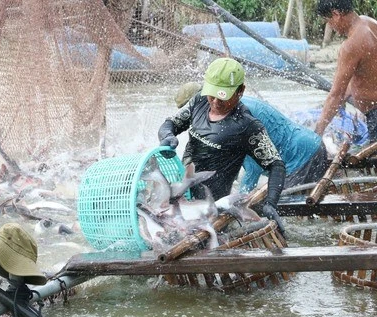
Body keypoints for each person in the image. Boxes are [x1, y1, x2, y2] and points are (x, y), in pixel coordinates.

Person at [159, 57, 286, 235]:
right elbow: (170, 123)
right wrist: (167, 136)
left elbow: (276, 165)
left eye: (223, 96)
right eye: (212, 94)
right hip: (184, 195)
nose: (216, 102)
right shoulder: (199, 101)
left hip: (213, 212)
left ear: (240, 90)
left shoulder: (248, 126)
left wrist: (271, 203)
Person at [173, 82, 329, 193]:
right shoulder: (229, 105)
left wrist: (240, 199)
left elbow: (253, 167)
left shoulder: (235, 118)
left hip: (301, 157)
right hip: (310, 146)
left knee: (286, 209)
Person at [314, 0, 377, 142]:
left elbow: (336, 94)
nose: (330, 25)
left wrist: (318, 131)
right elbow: (370, 71)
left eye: (328, 20)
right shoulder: (369, 23)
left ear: (336, 15)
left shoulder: (350, 46)